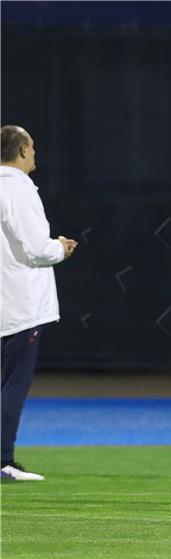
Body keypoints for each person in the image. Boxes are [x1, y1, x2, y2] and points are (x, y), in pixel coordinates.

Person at [1, 125, 78, 481]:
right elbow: (33, 247)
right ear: (21, 151)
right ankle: (2, 460)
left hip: (6, 301)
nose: (35, 153)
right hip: (19, 307)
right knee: (11, 386)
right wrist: (59, 249)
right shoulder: (15, 188)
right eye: (32, 147)